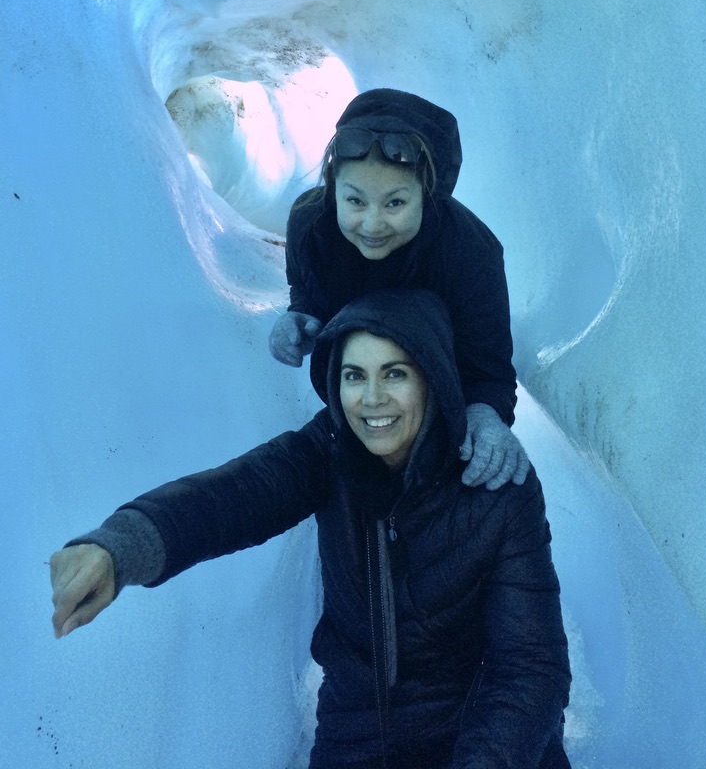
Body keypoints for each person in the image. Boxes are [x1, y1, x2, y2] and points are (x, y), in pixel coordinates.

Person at [50, 289, 571, 769]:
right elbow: (237, 494)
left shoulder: (496, 487)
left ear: (432, 379)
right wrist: (120, 549)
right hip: (362, 733)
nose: (371, 399)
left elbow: (531, 667)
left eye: (395, 374)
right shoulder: (329, 453)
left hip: (488, 737)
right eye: (353, 375)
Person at [269, 87, 528, 490]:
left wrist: (484, 412)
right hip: (358, 409)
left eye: (394, 204)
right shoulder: (310, 224)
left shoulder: (471, 252)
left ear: (426, 195)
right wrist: (301, 317)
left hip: (438, 413)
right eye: (355, 201)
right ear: (333, 187)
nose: (372, 225)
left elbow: (489, 364)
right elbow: (305, 289)